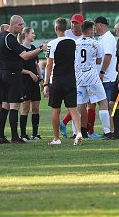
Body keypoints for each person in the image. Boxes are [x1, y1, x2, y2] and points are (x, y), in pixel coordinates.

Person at [0, 15, 46, 144]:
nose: (22, 28)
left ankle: (0, 136)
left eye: (23, 25)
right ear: (13, 24)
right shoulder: (10, 38)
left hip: (2, 74)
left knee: (5, 105)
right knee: (14, 105)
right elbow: (25, 56)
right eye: (20, 25)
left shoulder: (0, 37)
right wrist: (40, 49)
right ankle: (15, 137)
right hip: (12, 75)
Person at [44, 17, 82, 146]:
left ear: (56, 28)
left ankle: (56, 138)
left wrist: (45, 84)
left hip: (57, 80)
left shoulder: (52, 43)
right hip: (71, 79)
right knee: (73, 109)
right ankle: (79, 133)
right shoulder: (73, 42)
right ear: (66, 28)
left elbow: (49, 65)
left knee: (56, 109)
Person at [75, 21, 111, 138]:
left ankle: (78, 132)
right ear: (90, 30)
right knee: (103, 102)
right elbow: (99, 61)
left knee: (80, 105)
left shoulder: (75, 43)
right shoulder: (95, 43)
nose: (94, 31)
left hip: (79, 78)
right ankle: (107, 131)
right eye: (93, 30)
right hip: (92, 77)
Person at [60, 14, 85, 138]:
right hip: (70, 73)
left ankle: (84, 131)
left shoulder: (85, 35)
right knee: (77, 103)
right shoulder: (66, 34)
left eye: (77, 23)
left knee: (83, 103)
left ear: (82, 24)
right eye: (73, 23)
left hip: (84, 73)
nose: (74, 25)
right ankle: (76, 131)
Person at [94, 16, 118, 138]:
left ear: (100, 25)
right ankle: (109, 130)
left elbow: (108, 56)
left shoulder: (108, 38)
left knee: (109, 104)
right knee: (104, 104)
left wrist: (102, 72)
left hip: (109, 77)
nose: (94, 28)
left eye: (95, 25)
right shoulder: (101, 38)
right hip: (104, 77)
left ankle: (113, 131)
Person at [19, 27, 43, 141]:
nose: (34, 35)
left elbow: (36, 65)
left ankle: (35, 134)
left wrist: (41, 79)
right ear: (26, 34)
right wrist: (29, 73)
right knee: (25, 108)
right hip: (24, 82)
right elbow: (18, 69)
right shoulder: (20, 49)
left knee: (36, 108)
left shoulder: (33, 48)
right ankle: (23, 135)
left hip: (34, 82)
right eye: (32, 33)